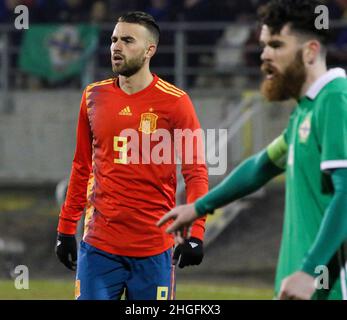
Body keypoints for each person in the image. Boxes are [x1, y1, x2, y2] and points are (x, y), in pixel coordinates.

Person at [158, 0, 347, 300]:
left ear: (310, 51)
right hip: (298, 285)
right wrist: (198, 207)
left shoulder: (335, 99)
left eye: (276, 45)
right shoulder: (305, 110)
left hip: (326, 288)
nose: (264, 55)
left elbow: (346, 194)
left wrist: (310, 271)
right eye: (263, 45)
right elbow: (262, 166)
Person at [55, 11, 208, 300]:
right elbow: (81, 166)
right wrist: (65, 229)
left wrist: (196, 233)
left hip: (154, 249)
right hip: (99, 246)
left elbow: (195, 173)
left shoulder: (176, 102)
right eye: (114, 39)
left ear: (150, 50)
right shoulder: (92, 97)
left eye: (127, 40)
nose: (116, 47)